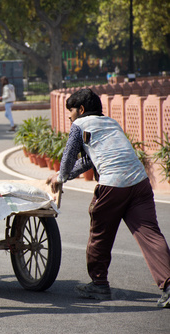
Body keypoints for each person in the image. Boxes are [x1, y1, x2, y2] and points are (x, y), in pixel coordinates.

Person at [46, 88, 170, 308]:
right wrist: (63, 175)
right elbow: (88, 162)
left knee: (99, 234)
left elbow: (67, 159)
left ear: (81, 110)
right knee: (151, 234)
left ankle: (99, 283)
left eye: (71, 110)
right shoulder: (111, 123)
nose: (69, 115)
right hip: (140, 183)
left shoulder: (79, 125)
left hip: (112, 185)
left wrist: (61, 177)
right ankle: (169, 286)